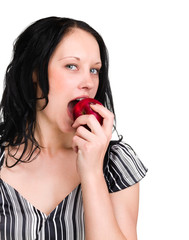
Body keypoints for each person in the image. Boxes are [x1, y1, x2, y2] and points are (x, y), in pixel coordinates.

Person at [0, 17, 147, 240]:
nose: (88, 82)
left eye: (94, 70)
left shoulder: (116, 163)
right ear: (35, 73)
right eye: (72, 66)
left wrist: (92, 172)